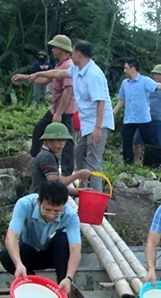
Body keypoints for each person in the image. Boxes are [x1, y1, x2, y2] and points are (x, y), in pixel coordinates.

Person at [20, 40, 114, 192]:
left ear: (78, 54)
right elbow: (57, 73)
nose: (71, 56)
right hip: (87, 123)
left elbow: (101, 102)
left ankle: (96, 195)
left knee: (93, 159)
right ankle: (82, 190)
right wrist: (36, 74)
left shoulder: (94, 74)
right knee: (78, 151)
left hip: (98, 122)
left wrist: (98, 127)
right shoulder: (77, 69)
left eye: (73, 53)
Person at [0, 180, 82, 295]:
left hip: (54, 256)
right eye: (47, 210)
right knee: (5, 255)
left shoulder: (70, 216)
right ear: (39, 202)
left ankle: (62, 288)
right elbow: (11, 237)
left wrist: (69, 278)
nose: (52, 215)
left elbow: (75, 250)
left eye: (57, 211)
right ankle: (33, 284)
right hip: (29, 251)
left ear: (64, 205)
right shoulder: (24, 204)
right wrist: (18, 263)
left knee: (63, 239)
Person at [16, 35, 76, 177]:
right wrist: (26, 77)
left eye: (54, 47)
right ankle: (34, 161)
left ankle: (67, 173)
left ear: (60, 49)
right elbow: (46, 79)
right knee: (39, 129)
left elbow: (68, 91)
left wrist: (59, 113)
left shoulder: (68, 66)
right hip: (55, 108)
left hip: (65, 110)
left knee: (66, 140)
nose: (52, 50)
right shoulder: (59, 65)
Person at [112, 58, 161, 165]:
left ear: (133, 68)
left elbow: (157, 86)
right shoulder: (125, 83)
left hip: (143, 117)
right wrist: (112, 113)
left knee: (149, 141)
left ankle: (153, 163)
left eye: (126, 68)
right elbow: (121, 100)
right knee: (127, 141)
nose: (124, 70)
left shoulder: (144, 80)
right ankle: (128, 163)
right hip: (129, 118)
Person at [31, 123, 91, 194]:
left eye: (64, 140)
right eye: (59, 140)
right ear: (48, 140)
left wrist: (77, 192)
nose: (62, 144)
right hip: (41, 199)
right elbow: (55, 185)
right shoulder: (47, 157)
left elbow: (58, 182)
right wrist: (77, 175)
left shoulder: (49, 154)